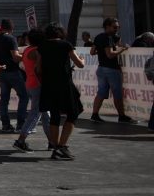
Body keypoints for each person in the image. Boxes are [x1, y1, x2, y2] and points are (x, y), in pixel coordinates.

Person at [38, 23, 86, 160]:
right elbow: (80, 64)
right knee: (74, 112)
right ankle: (62, 146)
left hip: (48, 85)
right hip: (64, 85)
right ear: (60, 33)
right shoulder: (66, 45)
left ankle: (55, 147)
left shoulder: (42, 47)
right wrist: (82, 59)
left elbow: (38, 69)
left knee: (54, 115)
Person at [90, 17, 135, 123]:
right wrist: (122, 49)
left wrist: (102, 52)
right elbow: (110, 55)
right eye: (115, 27)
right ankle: (122, 116)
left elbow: (92, 52)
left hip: (101, 69)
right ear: (107, 26)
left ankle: (94, 114)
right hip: (112, 69)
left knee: (101, 93)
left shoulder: (98, 37)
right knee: (117, 93)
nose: (117, 29)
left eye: (118, 27)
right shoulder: (109, 38)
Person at [13, 28, 51, 153]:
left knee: (45, 114)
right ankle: (21, 140)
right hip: (37, 85)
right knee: (36, 114)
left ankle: (52, 141)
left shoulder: (27, 50)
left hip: (30, 83)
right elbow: (40, 69)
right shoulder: (37, 51)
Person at [0, 19, 27, 132]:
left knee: (4, 100)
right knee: (24, 96)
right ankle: (20, 124)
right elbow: (16, 57)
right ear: (12, 28)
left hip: (3, 72)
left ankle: (5, 125)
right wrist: (27, 56)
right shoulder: (11, 38)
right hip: (13, 72)